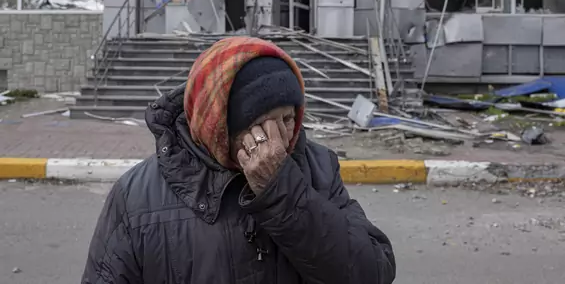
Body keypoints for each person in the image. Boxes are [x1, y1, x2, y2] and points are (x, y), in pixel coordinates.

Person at [82, 36, 396, 284]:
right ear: (217, 124)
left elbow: (372, 271)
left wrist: (284, 195)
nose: (279, 139)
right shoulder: (136, 196)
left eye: (287, 119)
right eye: (261, 123)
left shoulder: (318, 169)